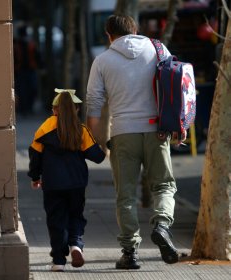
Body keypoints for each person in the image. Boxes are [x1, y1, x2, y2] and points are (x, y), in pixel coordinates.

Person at [86, 15, 180, 269]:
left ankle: (130, 252)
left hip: (122, 132)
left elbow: (93, 105)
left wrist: (98, 140)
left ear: (109, 35)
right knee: (163, 186)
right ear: (135, 30)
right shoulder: (158, 49)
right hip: (156, 130)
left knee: (125, 195)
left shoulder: (102, 60)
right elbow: (175, 87)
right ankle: (162, 225)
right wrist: (178, 127)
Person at [28, 88, 105, 272]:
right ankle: (76, 245)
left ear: (54, 109)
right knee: (75, 215)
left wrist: (35, 177)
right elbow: (97, 157)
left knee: (56, 220)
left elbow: (35, 155)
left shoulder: (44, 128)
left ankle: (58, 261)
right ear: (76, 109)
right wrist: (103, 145)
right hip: (77, 183)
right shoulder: (81, 129)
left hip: (53, 184)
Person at [13, 25, 40, 116]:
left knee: (27, 90)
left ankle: (26, 108)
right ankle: (25, 109)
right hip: (23, 71)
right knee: (25, 91)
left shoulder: (25, 44)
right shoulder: (26, 43)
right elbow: (37, 56)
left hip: (26, 70)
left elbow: (37, 56)